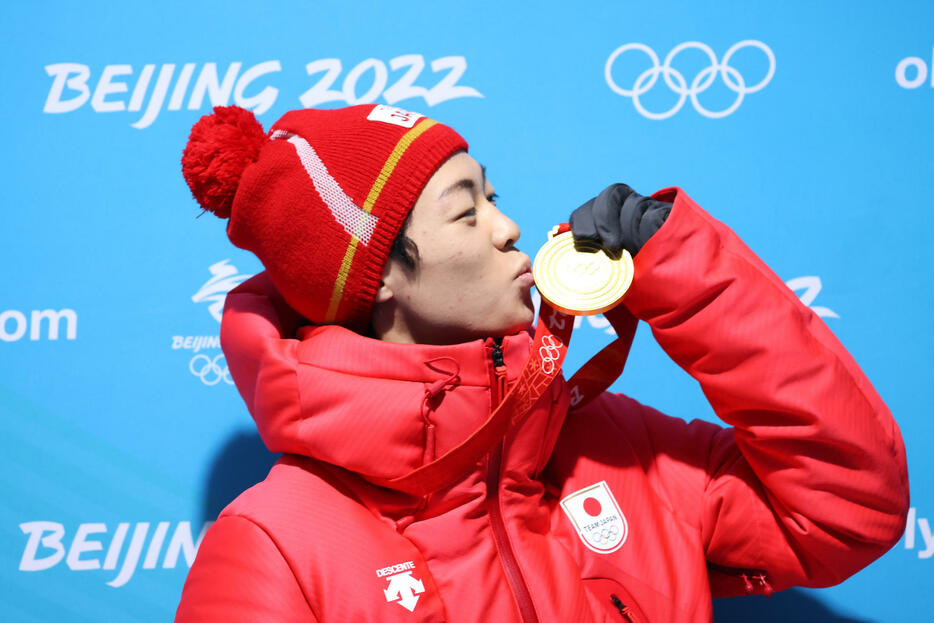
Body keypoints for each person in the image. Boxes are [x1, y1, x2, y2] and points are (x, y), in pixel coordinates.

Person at [174, 104, 908, 623]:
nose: (509, 226)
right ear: (379, 277)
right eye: (467, 212)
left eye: (494, 195)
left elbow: (847, 509)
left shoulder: (615, 449)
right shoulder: (278, 543)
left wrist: (690, 273)